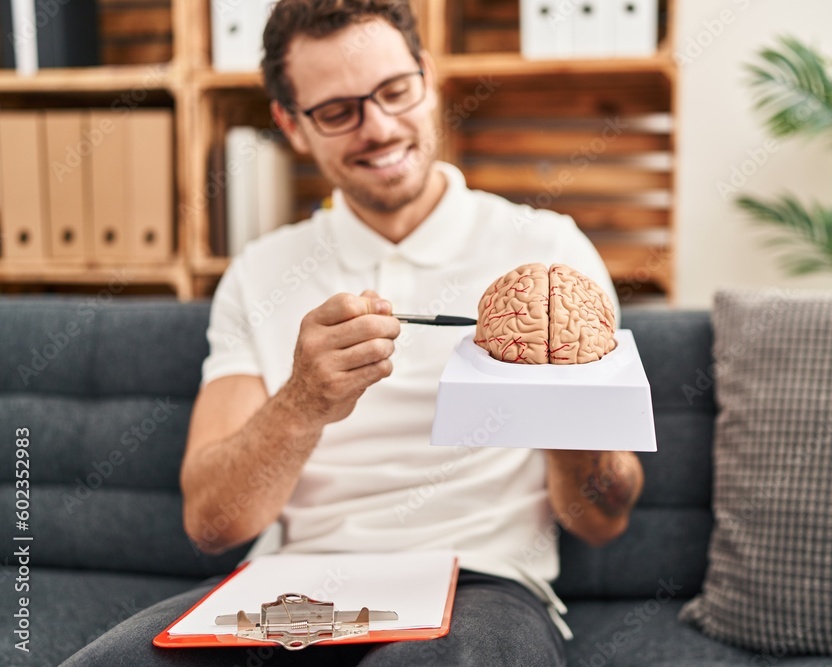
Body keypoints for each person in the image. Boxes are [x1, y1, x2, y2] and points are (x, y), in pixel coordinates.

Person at [64, 0, 643, 664]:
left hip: (482, 579)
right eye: (338, 111)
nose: (379, 126)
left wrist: (562, 408)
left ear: (427, 76)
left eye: (395, 90)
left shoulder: (549, 250)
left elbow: (603, 518)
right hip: (295, 586)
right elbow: (213, 524)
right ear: (291, 124)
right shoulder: (261, 272)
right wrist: (303, 400)